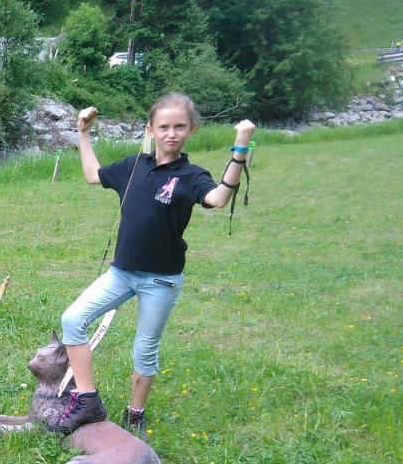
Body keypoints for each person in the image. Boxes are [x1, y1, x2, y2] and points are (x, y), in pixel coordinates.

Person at [50, 93, 255, 437]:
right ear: (151, 129)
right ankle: (87, 400)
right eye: (164, 127)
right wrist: (83, 133)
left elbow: (219, 198)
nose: (171, 133)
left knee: (144, 350)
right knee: (73, 319)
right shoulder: (134, 167)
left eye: (179, 127)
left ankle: (135, 415)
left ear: (192, 129)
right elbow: (92, 175)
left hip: (161, 280)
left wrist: (240, 147)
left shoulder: (191, 175)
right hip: (122, 273)